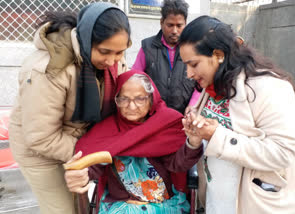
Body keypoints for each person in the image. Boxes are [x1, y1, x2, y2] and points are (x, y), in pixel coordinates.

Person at [179, 16, 295, 214]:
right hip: (218, 199)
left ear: (218, 54)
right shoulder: (212, 87)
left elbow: (283, 153)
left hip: (256, 203)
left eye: (193, 64)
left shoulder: (269, 88)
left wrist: (216, 136)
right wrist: (195, 136)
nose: (188, 74)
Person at [8, 2, 131, 213]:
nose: (112, 60)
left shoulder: (111, 63)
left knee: (82, 204)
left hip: (77, 145)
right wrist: (91, 151)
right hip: (40, 153)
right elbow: (40, 137)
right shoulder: (48, 69)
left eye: (120, 52)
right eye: (104, 51)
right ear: (86, 38)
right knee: (63, 209)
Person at [64, 70, 203, 213]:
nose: (131, 106)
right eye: (123, 99)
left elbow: (178, 164)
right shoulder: (106, 130)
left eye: (139, 99)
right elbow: (94, 164)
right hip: (121, 205)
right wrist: (82, 173)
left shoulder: (167, 123)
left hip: (162, 205)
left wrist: (193, 142)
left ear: (151, 98)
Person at [132, 0, 197, 114]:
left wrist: (193, 105)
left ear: (185, 23)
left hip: (183, 115)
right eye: (170, 25)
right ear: (162, 22)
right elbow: (135, 78)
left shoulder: (193, 49)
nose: (174, 31)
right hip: (154, 113)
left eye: (179, 25)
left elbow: (200, 83)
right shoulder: (148, 47)